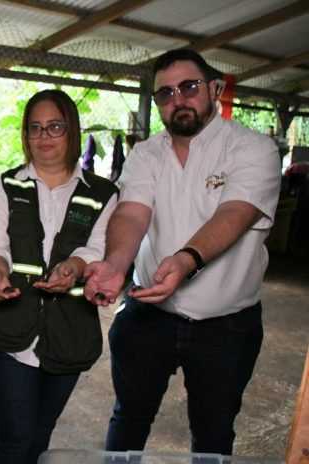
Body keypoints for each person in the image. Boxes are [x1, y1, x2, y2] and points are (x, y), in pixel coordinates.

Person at [84, 49, 282, 454]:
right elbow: (133, 214)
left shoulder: (253, 148)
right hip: (148, 315)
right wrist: (116, 265)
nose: (179, 99)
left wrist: (186, 259)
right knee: (130, 416)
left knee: (213, 431)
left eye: (189, 87)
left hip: (226, 326)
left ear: (214, 88)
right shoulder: (146, 153)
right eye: (166, 93)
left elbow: (236, 213)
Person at [0, 89, 118, 464]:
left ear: (71, 130)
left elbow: (99, 248)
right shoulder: (9, 185)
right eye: (35, 128)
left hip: (69, 333)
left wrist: (75, 267)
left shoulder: (103, 193)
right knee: (14, 438)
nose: (43, 137)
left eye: (54, 127)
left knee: (40, 435)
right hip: (11, 333)